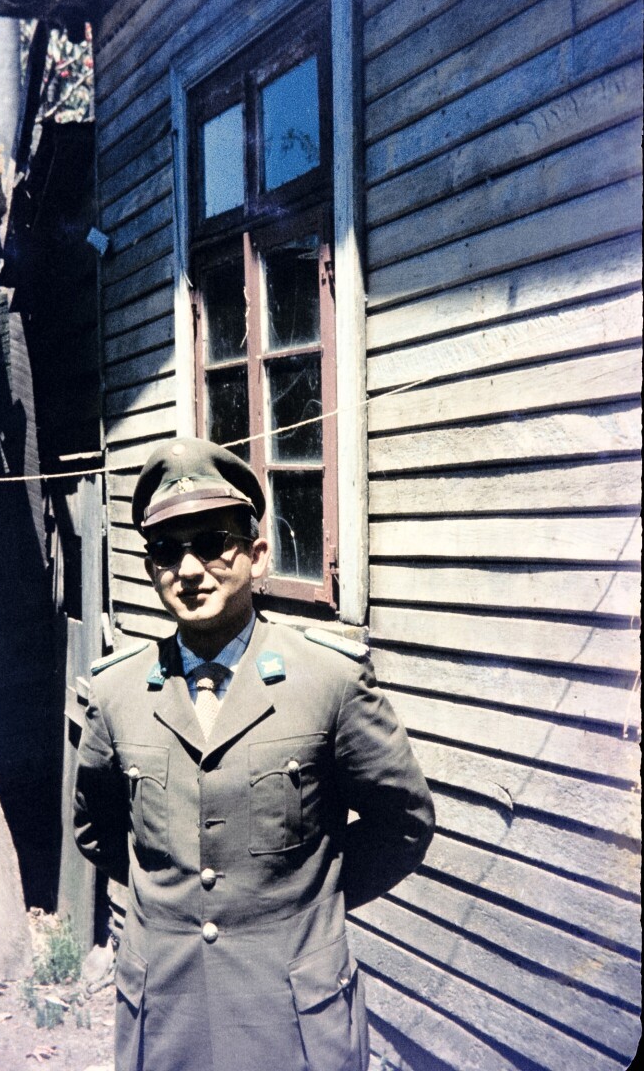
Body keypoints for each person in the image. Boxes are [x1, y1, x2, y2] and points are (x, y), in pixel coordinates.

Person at [74, 437, 434, 1071]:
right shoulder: (117, 692)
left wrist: (306, 903)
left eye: (213, 543)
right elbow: (99, 831)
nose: (189, 569)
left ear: (257, 554)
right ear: (152, 568)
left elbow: (402, 823)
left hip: (292, 1013)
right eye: (167, 551)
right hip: (166, 1012)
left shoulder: (329, 681)